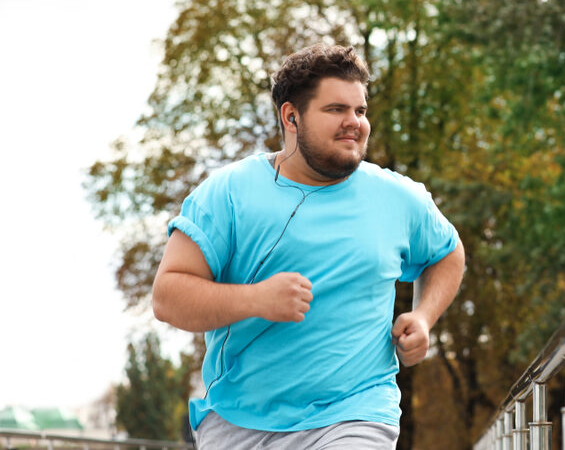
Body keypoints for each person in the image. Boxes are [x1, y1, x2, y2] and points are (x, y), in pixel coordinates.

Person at [151, 43, 465, 449]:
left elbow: (447, 253)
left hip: (356, 412)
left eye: (360, 110)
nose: (354, 122)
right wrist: (256, 300)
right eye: (336, 109)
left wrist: (423, 316)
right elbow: (167, 297)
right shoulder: (228, 193)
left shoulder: (398, 198)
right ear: (291, 116)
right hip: (239, 420)